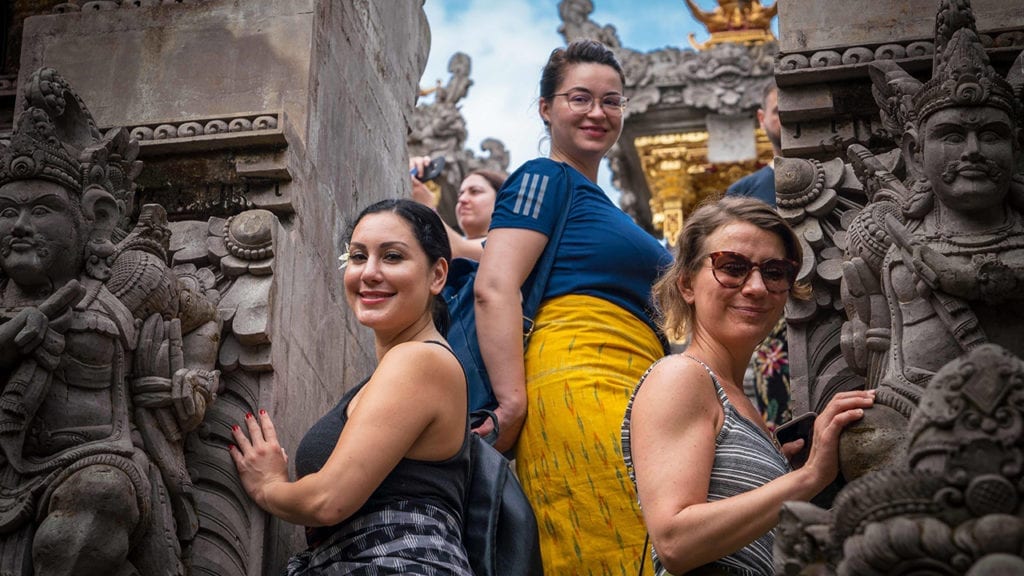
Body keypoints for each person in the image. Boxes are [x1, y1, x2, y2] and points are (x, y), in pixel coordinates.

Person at [474, 39, 671, 574]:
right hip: (578, 382)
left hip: (642, 383)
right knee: (613, 534)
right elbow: (494, 286)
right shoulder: (545, 177)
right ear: (546, 108)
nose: (597, 113)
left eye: (612, 101)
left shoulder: (604, 206)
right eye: (579, 98)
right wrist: (511, 402)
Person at [622, 196, 875, 575]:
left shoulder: (738, 403)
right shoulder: (681, 376)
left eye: (774, 272)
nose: (756, 287)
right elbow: (675, 542)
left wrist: (781, 475)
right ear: (687, 284)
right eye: (733, 267)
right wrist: (810, 478)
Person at [229, 199, 474, 575]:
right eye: (358, 257)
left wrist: (269, 487)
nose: (369, 273)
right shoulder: (397, 367)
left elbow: (329, 500)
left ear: (437, 275)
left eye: (392, 257)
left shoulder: (421, 360)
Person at [409, 156, 506, 261]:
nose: (462, 199)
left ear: (500, 201)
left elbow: (455, 250)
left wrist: (427, 208)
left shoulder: (510, 243)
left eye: (475, 191)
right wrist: (410, 170)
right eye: (460, 194)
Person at [726, 81, 781, 207]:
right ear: (762, 119)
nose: (789, 116)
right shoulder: (741, 194)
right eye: (779, 111)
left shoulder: (833, 177)